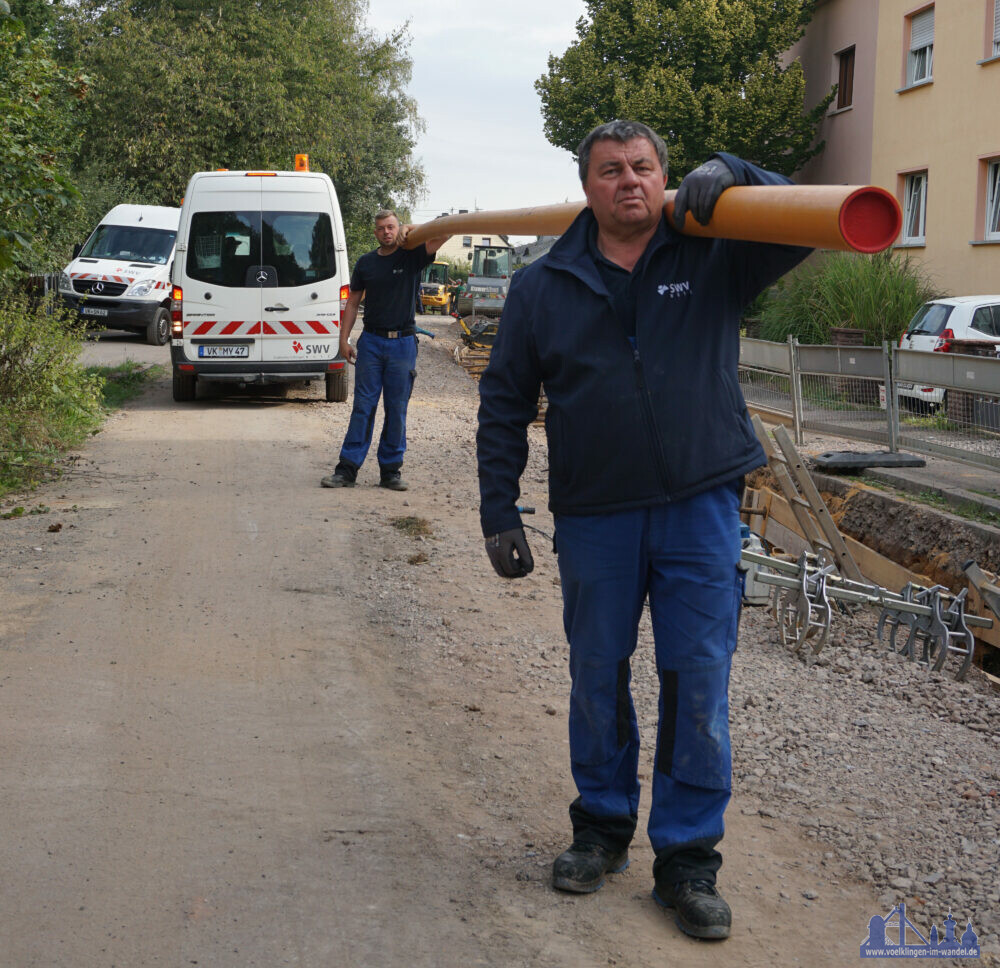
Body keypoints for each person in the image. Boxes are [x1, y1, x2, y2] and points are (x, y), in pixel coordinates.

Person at [475, 120, 810, 941]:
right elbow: (506, 404)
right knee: (597, 674)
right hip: (594, 515)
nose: (631, 181)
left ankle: (689, 862)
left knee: (698, 682)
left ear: (663, 176)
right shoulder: (543, 285)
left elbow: (802, 217)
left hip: (699, 506)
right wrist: (497, 511)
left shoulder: (713, 250)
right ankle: (599, 829)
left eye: (645, 167)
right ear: (586, 187)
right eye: (611, 170)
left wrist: (734, 164)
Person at [321, 210, 449, 491]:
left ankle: (390, 471)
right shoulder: (366, 263)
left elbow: (446, 231)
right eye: (381, 228)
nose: (387, 232)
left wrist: (414, 228)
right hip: (372, 342)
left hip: (402, 343)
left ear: (398, 228)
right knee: (363, 407)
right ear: (376, 232)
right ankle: (347, 470)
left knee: (396, 408)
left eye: (391, 227)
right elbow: (353, 303)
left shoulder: (412, 255)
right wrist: (344, 340)